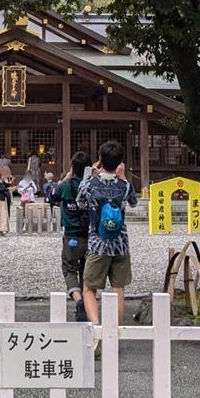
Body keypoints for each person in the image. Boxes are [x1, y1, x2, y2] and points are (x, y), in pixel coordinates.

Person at [77, 140, 137, 332]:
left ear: (100, 159)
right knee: (118, 289)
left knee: (89, 288)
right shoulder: (124, 185)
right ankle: (115, 332)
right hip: (120, 243)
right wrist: (124, 177)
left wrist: (92, 173)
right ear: (120, 162)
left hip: (98, 243)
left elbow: (80, 203)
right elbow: (134, 202)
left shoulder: (91, 185)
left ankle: (96, 328)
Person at [52, 152, 92, 321]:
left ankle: (78, 300)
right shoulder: (91, 186)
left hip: (71, 235)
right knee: (86, 271)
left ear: (72, 168)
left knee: (69, 269)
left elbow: (52, 196)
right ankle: (87, 301)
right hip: (89, 235)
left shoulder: (66, 186)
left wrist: (65, 179)